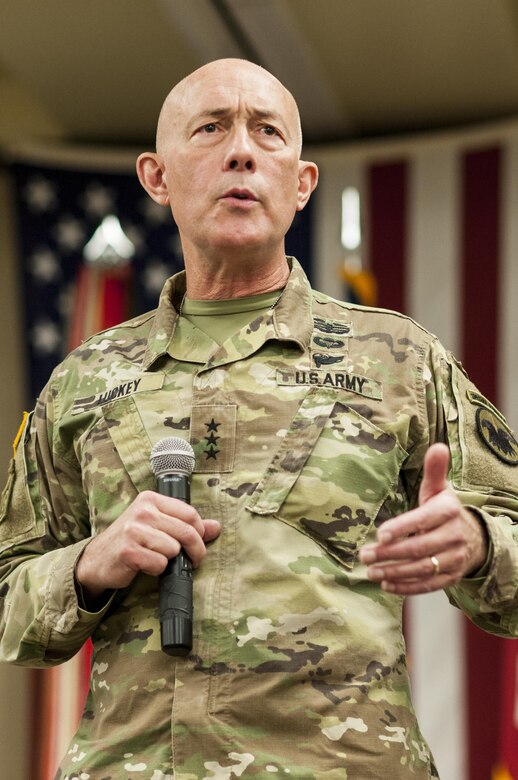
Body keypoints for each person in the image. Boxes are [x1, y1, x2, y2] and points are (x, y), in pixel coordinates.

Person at [0, 58, 517, 780]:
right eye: (211, 128)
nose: (241, 149)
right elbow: (8, 599)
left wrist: (480, 543)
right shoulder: (83, 381)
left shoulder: (400, 358)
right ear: (156, 177)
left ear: (301, 184)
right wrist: (89, 565)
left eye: (267, 132)